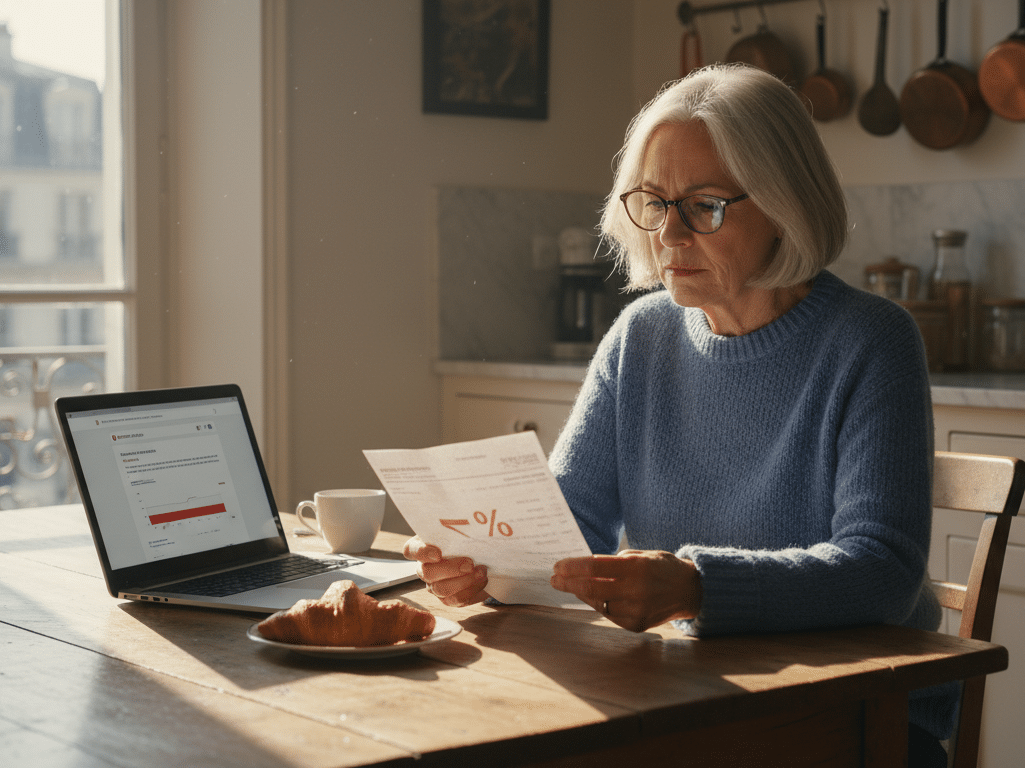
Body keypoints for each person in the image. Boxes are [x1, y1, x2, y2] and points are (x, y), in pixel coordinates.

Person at [405, 63, 950, 767]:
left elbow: (883, 571)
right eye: (654, 203)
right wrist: (485, 559)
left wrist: (696, 586)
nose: (670, 234)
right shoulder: (641, 336)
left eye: (704, 206)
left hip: (851, 716)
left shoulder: (871, 339)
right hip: (682, 698)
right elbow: (566, 523)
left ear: (787, 204)